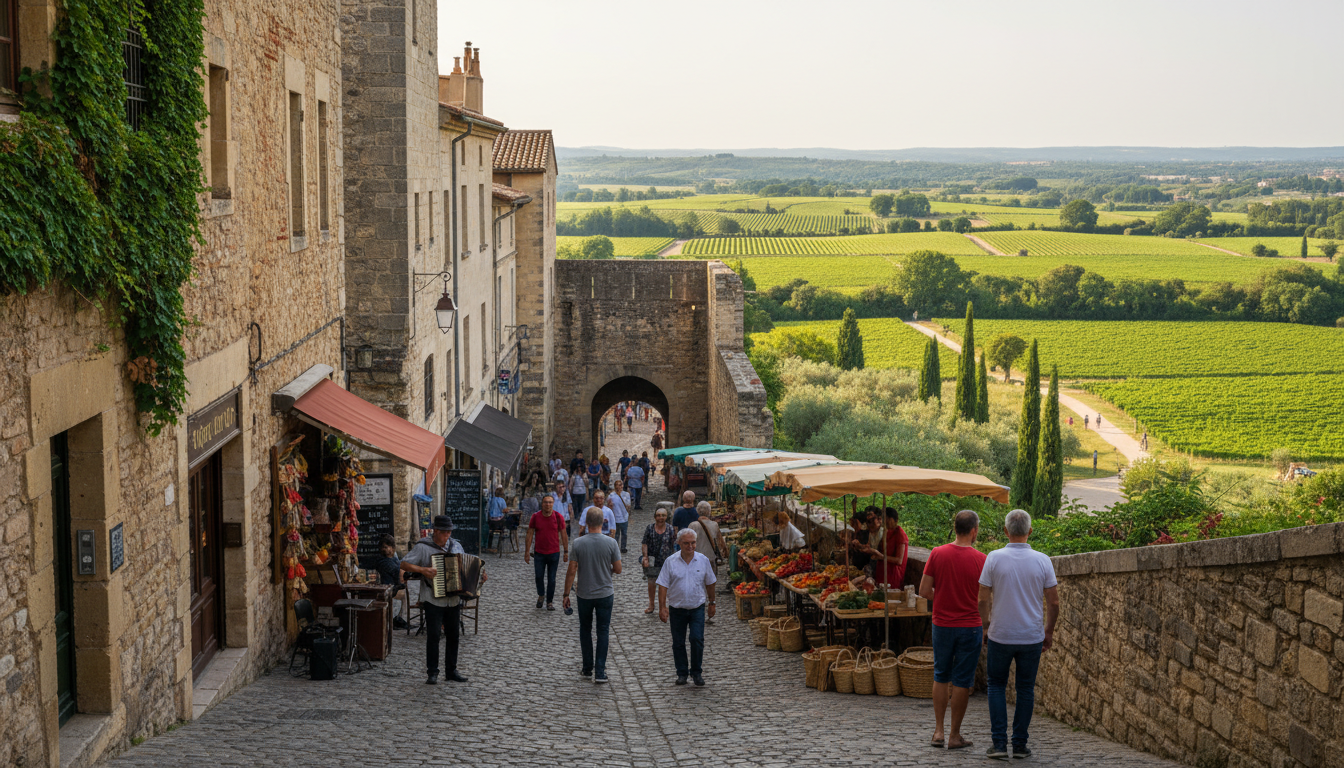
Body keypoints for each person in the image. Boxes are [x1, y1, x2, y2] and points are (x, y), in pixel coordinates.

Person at [978, 509, 1060, 760]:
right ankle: (1021, 745)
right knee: (1025, 689)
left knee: (996, 686)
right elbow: (1054, 603)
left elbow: (982, 598)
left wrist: (985, 625)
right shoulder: (1043, 560)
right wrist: (1048, 631)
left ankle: (999, 744)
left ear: (1005, 531)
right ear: (1030, 531)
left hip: (1000, 635)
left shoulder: (993, 558)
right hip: (1030, 636)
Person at [918, 510, 987, 752]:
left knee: (941, 675)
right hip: (970, 626)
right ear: (974, 531)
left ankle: (938, 730)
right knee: (962, 681)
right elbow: (985, 599)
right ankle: (954, 735)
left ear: (955, 528)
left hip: (942, 624)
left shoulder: (937, 553)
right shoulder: (982, 559)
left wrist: (943, 597)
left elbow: (924, 591)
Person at [401, 515, 486, 684]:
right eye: (445, 532)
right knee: (433, 635)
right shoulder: (423, 547)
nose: (448, 535)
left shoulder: (456, 546)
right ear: (436, 531)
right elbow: (404, 564)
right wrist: (423, 570)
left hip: (453, 599)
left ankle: (451, 670)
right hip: (433, 598)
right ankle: (432, 672)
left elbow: (466, 570)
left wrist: (479, 577)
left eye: (449, 532)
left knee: (453, 635)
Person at [563, 507, 622, 684]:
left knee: (585, 629)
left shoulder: (579, 543)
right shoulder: (611, 543)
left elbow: (572, 569)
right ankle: (600, 671)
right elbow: (618, 569)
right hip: (605, 593)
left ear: (587, 523)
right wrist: (607, 569)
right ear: (603, 522)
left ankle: (587, 667)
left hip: (584, 593)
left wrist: (566, 594)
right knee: (603, 631)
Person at [657, 528, 718, 686]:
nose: (690, 546)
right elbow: (663, 585)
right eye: (686, 543)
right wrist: (662, 607)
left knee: (697, 639)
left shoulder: (703, 560)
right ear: (679, 543)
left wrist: (712, 602)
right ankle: (682, 672)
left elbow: (710, 582)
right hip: (677, 608)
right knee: (678, 642)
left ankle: (696, 672)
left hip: (697, 606)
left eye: (693, 543)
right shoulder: (670, 562)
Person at [525, 494, 569, 611]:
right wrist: (527, 551)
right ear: (542, 504)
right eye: (545, 502)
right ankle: (541, 595)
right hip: (539, 552)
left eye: (550, 502)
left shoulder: (558, 517)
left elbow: (564, 534)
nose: (548, 505)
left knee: (552, 578)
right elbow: (529, 534)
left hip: (554, 552)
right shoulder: (535, 517)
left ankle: (549, 601)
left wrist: (566, 551)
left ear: (553, 504)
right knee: (539, 576)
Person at [641, 508, 676, 614]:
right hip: (652, 560)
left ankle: (663, 606)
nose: (661, 518)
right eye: (659, 515)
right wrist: (645, 557)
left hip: (666, 560)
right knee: (651, 583)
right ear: (655, 516)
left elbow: (673, 545)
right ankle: (651, 604)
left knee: (664, 584)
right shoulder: (650, 528)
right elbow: (644, 543)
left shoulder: (670, 529)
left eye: (663, 515)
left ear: (666, 517)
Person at [372, 535, 408, 629]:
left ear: (392, 548)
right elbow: (397, 571)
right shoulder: (384, 561)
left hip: (392, 586)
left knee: (404, 594)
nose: (384, 549)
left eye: (385, 547)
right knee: (403, 595)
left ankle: (398, 618)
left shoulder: (393, 559)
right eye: (383, 547)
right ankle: (396, 618)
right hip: (387, 589)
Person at [876, 507, 909, 588]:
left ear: (895, 520)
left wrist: (882, 557)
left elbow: (899, 560)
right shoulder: (887, 532)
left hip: (893, 575)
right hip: (883, 572)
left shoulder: (900, 535)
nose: (886, 522)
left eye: (888, 519)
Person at [607, 479, 632, 552]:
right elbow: (608, 506)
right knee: (616, 533)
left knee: (624, 533)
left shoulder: (626, 494)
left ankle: (623, 547)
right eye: (617, 485)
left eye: (620, 485)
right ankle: (616, 547)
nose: (619, 487)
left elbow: (628, 505)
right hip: (615, 518)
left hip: (624, 517)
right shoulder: (611, 495)